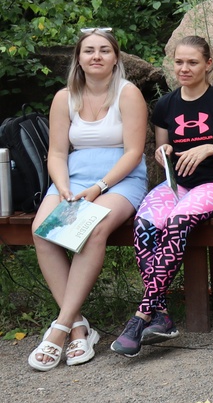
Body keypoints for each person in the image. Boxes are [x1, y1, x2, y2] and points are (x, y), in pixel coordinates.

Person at [110, 37, 213, 358]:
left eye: (192, 62)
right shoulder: (166, 106)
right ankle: (160, 314)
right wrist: (164, 153)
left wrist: (212, 148)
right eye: (179, 62)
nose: (184, 68)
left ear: (209, 64)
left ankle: (143, 314)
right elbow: (164, 155)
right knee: (145, 224)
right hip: (179, 186)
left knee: (178, 221)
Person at [27, 28, 148, 371]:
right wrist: (63, 187)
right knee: (42, 230)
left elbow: (134, 152)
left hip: (118, 179)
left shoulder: (128, 94)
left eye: (104, 50)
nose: (96, 56)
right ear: (78, 59)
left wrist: (98, 188)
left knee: (91, 227)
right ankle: (79, 326)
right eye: (89, 51)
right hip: (73, 180)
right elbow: (57, 153)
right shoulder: (64, 98)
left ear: (115, 58)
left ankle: (60, 329)